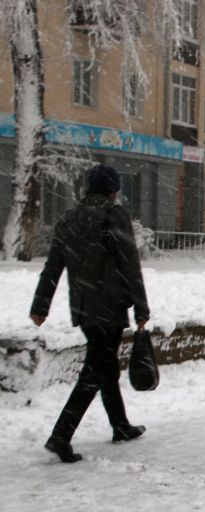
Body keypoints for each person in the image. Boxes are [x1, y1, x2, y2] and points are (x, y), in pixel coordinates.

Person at [30, 164, 150, 463]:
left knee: (105, 366)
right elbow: (129, 264)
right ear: (113, 190)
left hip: (83, 307)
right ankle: (61, 435)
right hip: (110, 306)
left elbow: (53, 266)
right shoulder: (113, 216)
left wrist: (40, 306)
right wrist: (141, 308)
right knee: (95, 371)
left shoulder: (69, 218)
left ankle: (120, 425)